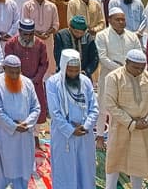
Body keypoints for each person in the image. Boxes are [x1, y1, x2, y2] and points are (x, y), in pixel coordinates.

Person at [102, 49, 148, 189]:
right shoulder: (114, 77)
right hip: (121, 127)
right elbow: (110, 104)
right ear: (126, 63)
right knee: (114, 164)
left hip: (142, 129)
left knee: (138, 166)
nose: (139, 71)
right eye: (135, 67)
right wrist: (131, 123)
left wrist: (147, 120)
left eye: (142, 68)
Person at [46, 49, 98, 189]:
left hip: (84, 135)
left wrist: (86, 126)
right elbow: (55, 113)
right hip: (64, 137)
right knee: (65, 173)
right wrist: (70, 130)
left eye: (76, 70)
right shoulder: (53, 83)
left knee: (85, 172)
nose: (74, 74)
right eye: (70, 71)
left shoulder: (86, 82)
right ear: (63, 67)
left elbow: (94, 108)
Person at [0, 55, 40, 189]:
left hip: (24, 136)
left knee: (22, 168)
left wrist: (27, 123)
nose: (14, 75)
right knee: (2, 170)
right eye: (11, 72)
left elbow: (36, 107)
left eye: (17, 71)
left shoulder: (27, 83)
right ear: (4, 69)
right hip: (4, 135)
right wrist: (13, 126)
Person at [94, 7, 143, 141]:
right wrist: (123, 69)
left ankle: (118, 136)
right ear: (109, 20)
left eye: (123, 19)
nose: (121, 22)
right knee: (103, 107)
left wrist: (133, 71)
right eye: (118, 19)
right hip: (109, 77)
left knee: (124, 108)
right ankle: (99, 136)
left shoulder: (132, 36)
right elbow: (103, 58)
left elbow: (139, 54)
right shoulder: (102, 36)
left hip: (129, 79)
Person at [3, 19, 49, 128]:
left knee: (36, 109)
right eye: (25, 34)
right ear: (19, 31)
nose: (28, 37)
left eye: (30, 34)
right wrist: (22, 80)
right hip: (16, 82)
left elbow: (44, 64)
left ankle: (35, 136)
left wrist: (35, 79)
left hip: (35, 83)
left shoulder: (40, 44)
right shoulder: (11, 44)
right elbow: (9, 64)